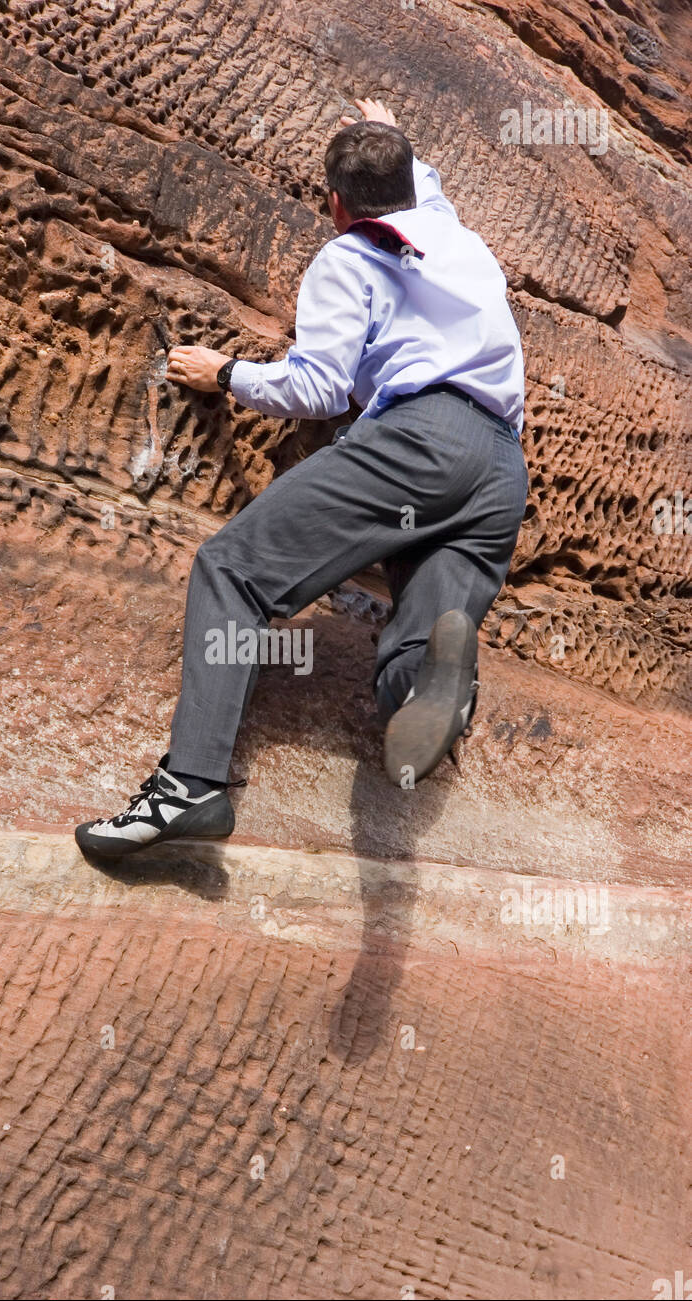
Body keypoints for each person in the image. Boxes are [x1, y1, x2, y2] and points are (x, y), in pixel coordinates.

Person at [76, 97, 527, 859]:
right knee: (416, 651)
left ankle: (191, 787)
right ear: (411, 188)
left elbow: (320, 390)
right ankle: (432, 684)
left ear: (333, 203)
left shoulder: (347, 257)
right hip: (500, 473)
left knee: (234, 572)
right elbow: (431, 185)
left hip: (420, 443)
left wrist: (226, 372)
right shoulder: (456, 233)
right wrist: (391, 133)